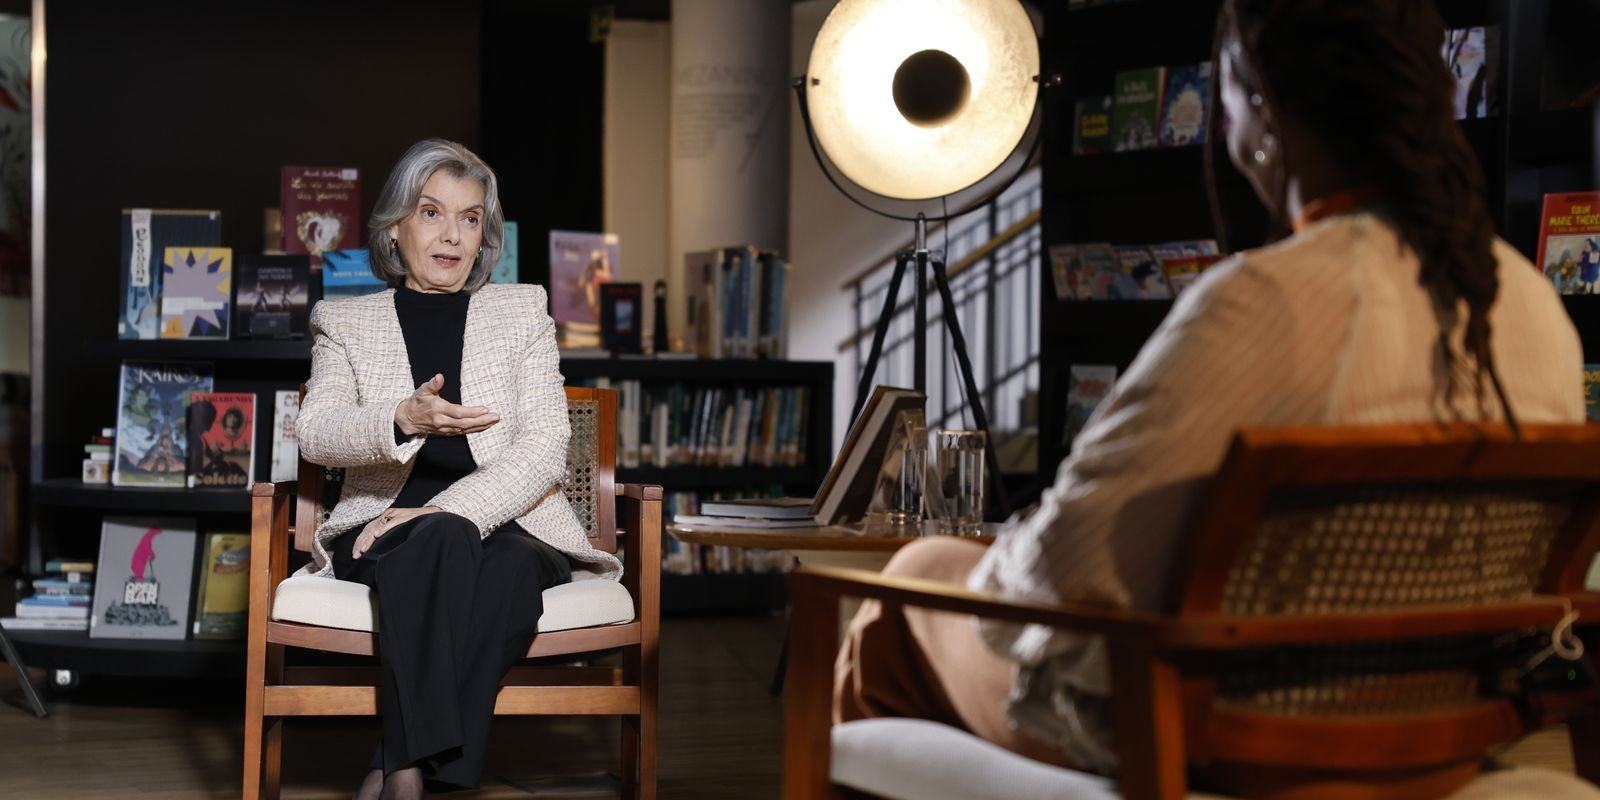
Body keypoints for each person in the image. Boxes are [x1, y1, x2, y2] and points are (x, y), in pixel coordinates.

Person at [832, 0, 1586, 790]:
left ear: (1259, 113)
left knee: (912, 580)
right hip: (1442, 736)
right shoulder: (1533, 304)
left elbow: (1066, 571)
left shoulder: (1267, 301)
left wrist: (1002, 549)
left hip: (1219, 737)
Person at [294, 138, 621, 800]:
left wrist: (441, 508)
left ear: (483, 235)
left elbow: (546, 444)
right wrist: (402, 419)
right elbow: (317, 433)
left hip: (515, 526)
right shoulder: (344, 322)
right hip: (381, 530)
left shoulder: (521, 312)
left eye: (470, 218)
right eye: (431, 212)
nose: (452, 235)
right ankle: (425, 775)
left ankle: (398, 764)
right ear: (395, 227)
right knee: (444, 547)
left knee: (493, 563)